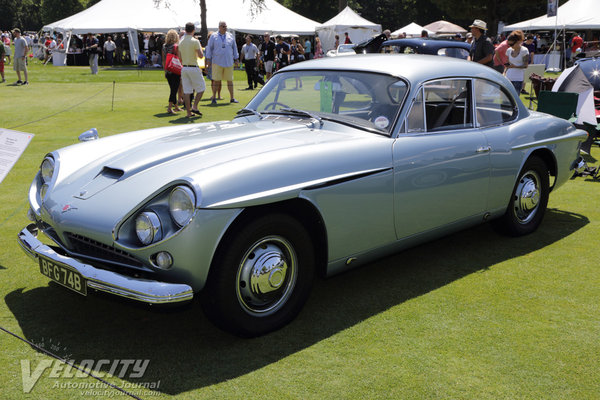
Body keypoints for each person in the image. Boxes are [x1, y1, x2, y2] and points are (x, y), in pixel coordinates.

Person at [205, 20, 239, 105]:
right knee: (216, 80)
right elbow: (209, 48)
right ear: (219, 27)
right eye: (223, 26)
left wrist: (236, 59)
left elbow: (234, 48)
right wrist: (208, 59)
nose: (225, 28)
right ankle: (214, 97)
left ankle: (232, 98)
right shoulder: (213, 36)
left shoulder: (230, 36)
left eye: (226, 26)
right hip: (217, 61)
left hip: (228, 61)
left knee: (230, 80)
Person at [178, 22, 205, 117]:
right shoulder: (195, 41)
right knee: (201, 88)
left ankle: (188, 112)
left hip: (184, 67)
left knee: (187, 91)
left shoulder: (181, 41)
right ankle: (195, 106)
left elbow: (179, 57)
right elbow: (201, 56)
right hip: (193, 67)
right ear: (193, 30)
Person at [162, 29, 182, 115]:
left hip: (168, 69)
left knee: (172, 88)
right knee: (174, 89)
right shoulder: (176, 46)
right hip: (175, 69)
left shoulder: (164, 46)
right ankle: (170, 108)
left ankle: (176, 106)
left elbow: (163, 59)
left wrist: (165, 71)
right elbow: (179, 59)